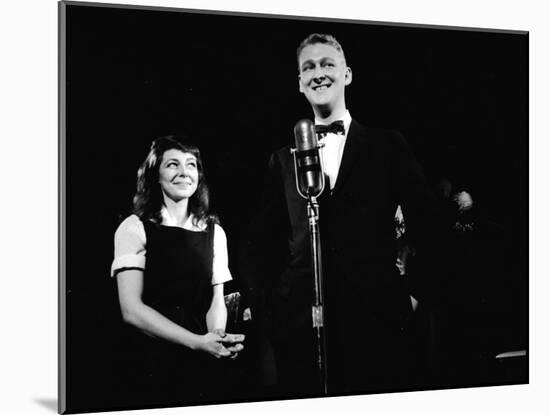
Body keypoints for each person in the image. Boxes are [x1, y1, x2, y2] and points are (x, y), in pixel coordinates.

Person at [240, 33, 448, 397]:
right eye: (309, 67)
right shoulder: (281, 160)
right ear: (299, 83)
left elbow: (431, 225)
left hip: (377, 324)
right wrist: (273, 309)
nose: (318, 73)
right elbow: (259, 242)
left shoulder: (387, 145)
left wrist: (413, 296)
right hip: (302, 330)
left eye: (327, 64)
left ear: (347, 75)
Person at [111, 136, 245, 406]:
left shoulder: (214, 231)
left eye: (191, 165)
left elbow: (216, 302)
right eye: (172, 165)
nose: (184, 172)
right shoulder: (133, 228)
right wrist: (196, 342)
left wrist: (216, 339)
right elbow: (131, 310)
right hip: (150, 359)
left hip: (200, 357)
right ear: (154, 176)